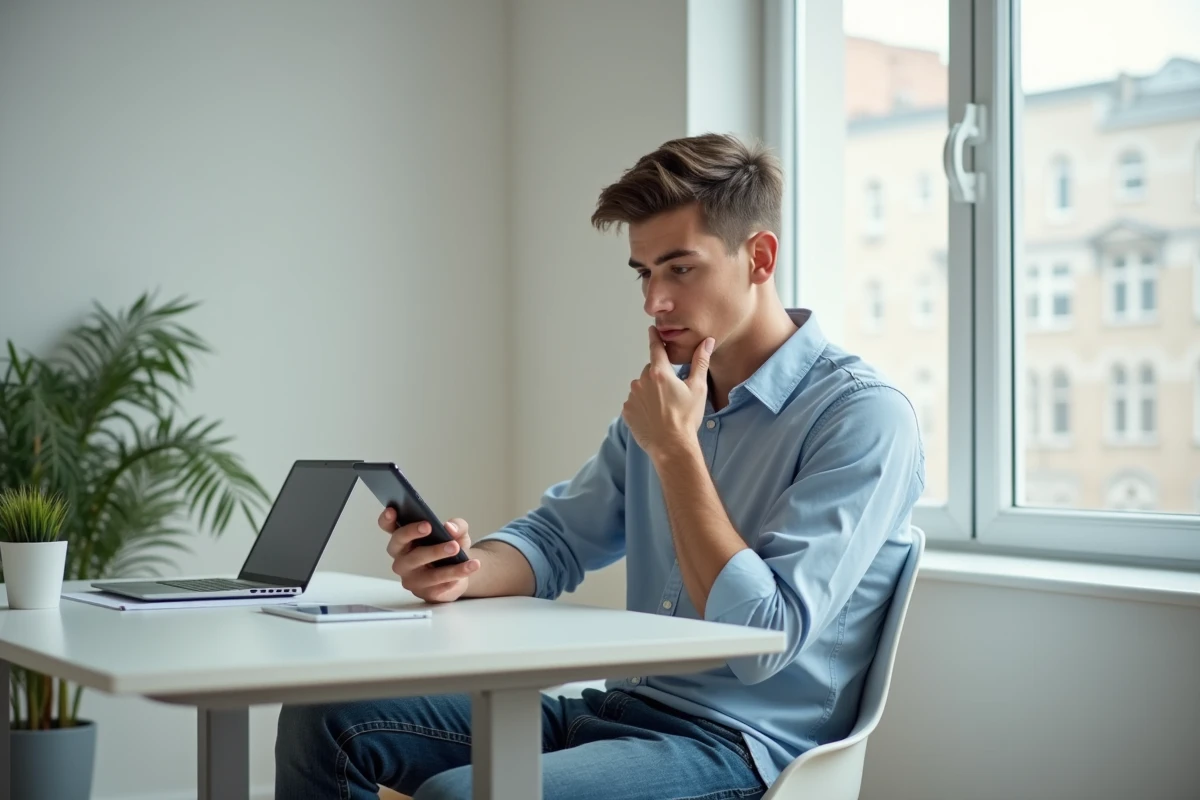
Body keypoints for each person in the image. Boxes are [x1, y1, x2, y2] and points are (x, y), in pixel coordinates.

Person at [274, 133, 925, 800]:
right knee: (330, 720)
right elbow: (557, 541)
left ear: (758, 257)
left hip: (738, 749)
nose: (654, 303)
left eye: (680, 269)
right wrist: (462, 571)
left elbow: (763, 642)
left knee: (461, 797)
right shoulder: (666, 399)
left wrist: (676, 453)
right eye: (644, 273)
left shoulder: (862, 419)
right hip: (612, 715)